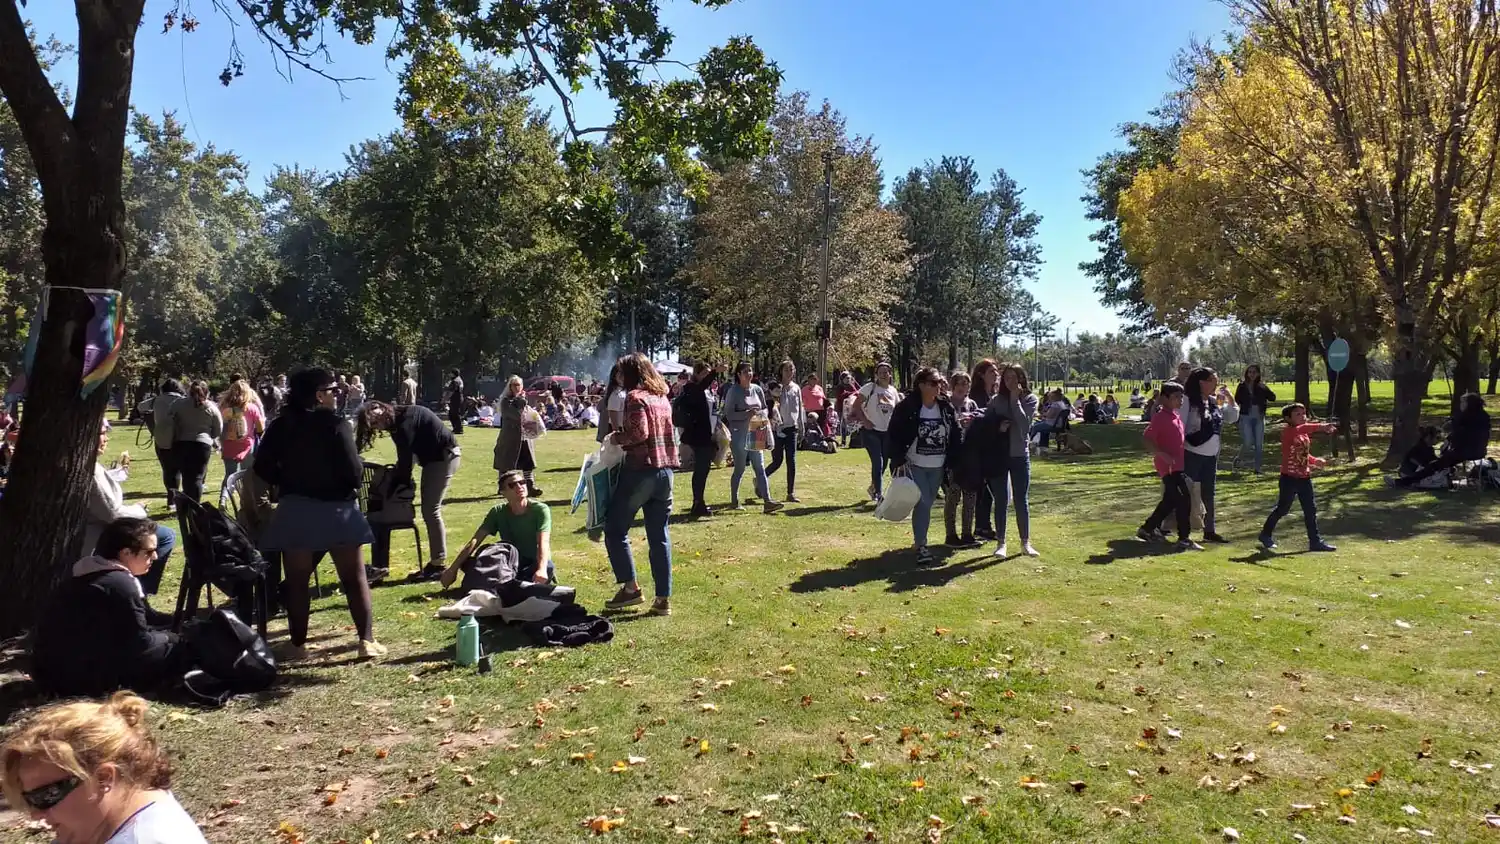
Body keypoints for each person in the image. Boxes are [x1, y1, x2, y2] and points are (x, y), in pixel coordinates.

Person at [253, 367, 385, 660]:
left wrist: (287, 480)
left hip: (296, 508)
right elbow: (354, 472)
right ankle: (366, 642)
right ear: (318, 395)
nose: (338, 395)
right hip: (338, 509)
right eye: (333, 390)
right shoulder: (336, 425)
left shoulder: (280, 425)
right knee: (354, 577)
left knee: (298, 582)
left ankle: (297, 645)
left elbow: (261, 467)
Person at [0, 693, 208, 844]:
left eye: (46, 796)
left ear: (104, 778)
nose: (36, 814)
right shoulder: (126, 816)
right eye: (29, 800)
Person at [30, 518, 186, 697]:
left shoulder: (87, 572)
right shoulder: (120, 584)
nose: (156, 557)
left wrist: (177, 621)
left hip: (52, 672)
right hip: (79, 681)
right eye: (149, 552)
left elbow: (143, 619)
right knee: (177, 648)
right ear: (126, 553)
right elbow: (140, 642)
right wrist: (172, 637)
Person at [603, 354, 679, 616]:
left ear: (633, 373)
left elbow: (639, 433)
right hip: (666, 472)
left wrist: (616, 438)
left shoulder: (636, 398)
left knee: (615, 529)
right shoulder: (662, 398)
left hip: (641, 471)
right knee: (660, 537)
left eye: (622, 373)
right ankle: (663, 599)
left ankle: (630, 588)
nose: (619, 378)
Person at [355, 400, 462, 581]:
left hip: (444, 456)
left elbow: (405, 459)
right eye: (373, 425)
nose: (377, 427)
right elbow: (406, 457)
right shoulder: (396, 421)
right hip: (431, 458)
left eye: (375, 421)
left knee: (431, 509)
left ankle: (438, 564)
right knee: (429, 509)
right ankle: (436, 562)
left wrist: (397, 484)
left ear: (379, 408)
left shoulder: (405, 421)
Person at [85, 420, 176, 596]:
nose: (106, 439)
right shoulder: (90, 469)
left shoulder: (90, 465)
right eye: (102, 433)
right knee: (165, 536)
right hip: (98, 536)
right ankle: (139, 593)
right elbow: (113, 514)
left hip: (103, 528)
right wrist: (139, 509)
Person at [887, 367, 963, 566]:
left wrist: (954, 459)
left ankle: (919, 541)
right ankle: (922, 545)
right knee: (924, 501)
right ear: (921, 385)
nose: (938, 386)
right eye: (933, 382)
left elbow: (956, 433)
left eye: (940, 382)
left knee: (926, 503)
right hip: (915, 463)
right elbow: (894, 434)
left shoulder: (945, 407)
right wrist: (898, 459)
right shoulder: (907, 407)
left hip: (938, 465)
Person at [440, 469, 555, 588]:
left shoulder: (540, 510)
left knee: (548, 566)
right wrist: (452, 570)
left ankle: (508, 583)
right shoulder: (497, 512)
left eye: (522, 482)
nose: (519, 486)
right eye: (512, 485)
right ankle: (514, 584)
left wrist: (541, 569)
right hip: (508, 562)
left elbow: (543, 542)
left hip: (532, 563)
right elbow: (475, 540)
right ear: (503, 492)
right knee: (468, 561)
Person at [1258, 403, 1339, 552]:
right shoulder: (1289, 432)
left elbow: (1302, 454)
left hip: (1304, 477)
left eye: (1304, 413)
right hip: (1289, 478)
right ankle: (1265, 534)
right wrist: (1321, 426)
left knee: (1310, 510)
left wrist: (1315, 461)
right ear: (1287, 418)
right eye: (1298, 414)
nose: (1303, 417)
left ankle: (1315, 542)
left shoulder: (1303, 434)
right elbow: (1302, 428)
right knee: (1283, 509)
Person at [1138, 382, 1200, 550]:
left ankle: (1147, 529)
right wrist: (1162, 454)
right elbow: (1147, 439)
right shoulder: (1160, 417)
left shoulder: (1175, 415)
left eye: (1181, 397)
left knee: (1170, 501)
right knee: (1183, 500)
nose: (1180, 400)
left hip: (1178, 465)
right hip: (1169, 467)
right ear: (1164, 398)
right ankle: (1184, 538)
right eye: (1176, 397)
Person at [987, 363, 1040, 557]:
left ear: (1021, 379)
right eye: (1006, 378)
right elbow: (987, 425)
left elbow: (1025, 426)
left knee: (1021, 500)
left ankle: (1025, 543)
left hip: (1019, 456)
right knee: (1000, 500)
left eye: (1013, 377)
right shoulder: (995, 400)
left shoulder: (1030, 399)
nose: (1009, 381)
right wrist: (998, 427)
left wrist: (1015, 399)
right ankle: (1001, 543)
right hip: (1000, 455)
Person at [1183, 367, 1238, 543]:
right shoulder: (1188, 401)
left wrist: (1230, 397)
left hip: (1211, 456)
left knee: (1209, 493)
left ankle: (1209, 530)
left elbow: (1231, 417)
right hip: (1192, 453)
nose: (1216, 383)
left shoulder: (1213, 402)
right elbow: (1180, 427)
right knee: (1186, 492)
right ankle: (1178, 529)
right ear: (1202, 382)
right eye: (1213, 380)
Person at [1396, 392, 1492, 487]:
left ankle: (1407, 481)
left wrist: (1450, 441)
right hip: (1480, 452)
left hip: (1465, 452)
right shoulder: (1484, 416)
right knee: (1442, 462)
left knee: (1435, 465)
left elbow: (1461, 437)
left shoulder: (1466, 418)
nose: (1461, 405)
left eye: (1463, 403)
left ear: (1469, 403)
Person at [723, 363, 783, 514]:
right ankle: (734, 501)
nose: (748, 373)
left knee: (760, 467)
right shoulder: (733, 391)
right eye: (744, 371)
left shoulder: (757, 389)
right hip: (739, 434)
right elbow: (728, 414)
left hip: (757, 430)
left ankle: (768, 501)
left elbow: (764, 407)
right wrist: (746, 414)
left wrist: (761, 413)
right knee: (740, 468)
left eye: (750, 370)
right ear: (738, 374)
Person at [162, 380, 222, 506]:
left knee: (185, 476)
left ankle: (185, 504)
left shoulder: (178, 404)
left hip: (181, 443)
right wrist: (210, 436)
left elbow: (168, 421)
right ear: (207, 392)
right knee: (197, 478)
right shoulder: (211, 407)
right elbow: (218, 429)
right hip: (201, 445)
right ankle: (195, 506)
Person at [849, 362, 899, 502]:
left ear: (890, 374)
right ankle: (878, 494)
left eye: (887, 372)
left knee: (883, 463)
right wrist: (865, 421)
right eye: (881, 372)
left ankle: (873, 487)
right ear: (876, 374)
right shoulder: (869, 388)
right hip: (871, 431)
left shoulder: (893, 391)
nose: (884, 374)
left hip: (887, 432)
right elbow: (856, 406)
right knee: (878, 462)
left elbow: (897, 411)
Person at [942, 371, 980, 548]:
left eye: (966, 384)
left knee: (970, 496)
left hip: (970, 455)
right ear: (953, 385)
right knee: (953, 496)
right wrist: (958, 423)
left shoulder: (972, 404)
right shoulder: (945, 404)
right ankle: (950, 535)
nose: (963, 387)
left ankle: (967, 533)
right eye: (960, 383)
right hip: (953, 456)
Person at [676, 362, 719, 518]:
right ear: (698, 374)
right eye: (705, 374)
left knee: (703, 469)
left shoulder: (702, 390)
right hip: (698, 434)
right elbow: (701, 386)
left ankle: (699, 502)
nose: (708, 378)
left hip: (706, 433)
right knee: (701, 470)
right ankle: (697, 503)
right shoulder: (692, 388)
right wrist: (714, 371)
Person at [969, 359, 1001, 542]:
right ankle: (980, 527)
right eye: (991, 372)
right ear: (981, 375)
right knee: (981, 490)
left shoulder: (994, 395)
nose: (996, 374)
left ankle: (983, 526)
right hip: (978, 449)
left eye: (996, 372)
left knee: (988, 490)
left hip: (993, 448)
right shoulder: (976, 397)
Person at [493, 375, 542, 498]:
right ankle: (503, 487)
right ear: (510, 386)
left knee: (528, 463)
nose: (517, 387)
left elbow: (528, 415)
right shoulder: (506, 401)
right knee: (506, 463)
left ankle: (530, 486)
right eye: (514, 385)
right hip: (509, 436)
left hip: (524, 436)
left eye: (519, 385)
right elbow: (516, 415)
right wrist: (521, 401)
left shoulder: (522, 399)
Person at [765, 360, 806, 503]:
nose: (789, 372)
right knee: (777, 461)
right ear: (781, 371)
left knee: (791, 460)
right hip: (777, 429)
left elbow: (800, 408)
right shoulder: (775, 388)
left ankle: (790, 492)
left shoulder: (796, 388)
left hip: (792, 428)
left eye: (791, 369)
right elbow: (769, 408)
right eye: (786, 370)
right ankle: (760, 479)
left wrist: (801, 425)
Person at [1232, 365, 1277, 473]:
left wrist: (1265, 391)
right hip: (1245, 417)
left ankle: (1257, 468)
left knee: (1258, 444)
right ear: (1247, 373)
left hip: (1259, 418)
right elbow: (1236, 400)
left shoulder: (1261, 386)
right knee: (1248, 442)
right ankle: (1238, 459)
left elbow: (1273, 397)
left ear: (1258, 374)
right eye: (1250, 372)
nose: (1252, 374)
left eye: (1254, 372)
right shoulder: (1242, 386)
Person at [150, 379, 185, 512]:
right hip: (179, 437)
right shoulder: (182, 400)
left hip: (161, 438)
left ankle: (171, 498)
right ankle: (178, 498)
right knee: (178, 469)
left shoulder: (156, 400)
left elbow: (141, 406)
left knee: (168, 469)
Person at [218, 379, 265, 479]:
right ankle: (246, 494)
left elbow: (220, 427)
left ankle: (225, 494)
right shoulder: (252, 408)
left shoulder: (224, 408)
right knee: (247, 475)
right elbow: (260, 428)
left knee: (230, 475)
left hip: (228, 444)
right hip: (247, 445)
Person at [801, 373, 830, 439]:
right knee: (811, 425)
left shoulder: (819, 388)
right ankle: (810, 438)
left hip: (821, 410)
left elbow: (823, 398)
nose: (813, 381)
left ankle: (821, 438)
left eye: (815, 379)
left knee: (821, 425)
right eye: (812, 379)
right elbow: (801, 400)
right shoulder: (804, 389)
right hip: (810, 411)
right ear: (808, 380)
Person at [834, 372, 859, 447]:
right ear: (842, 379)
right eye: (847, 378)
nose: (848, 380)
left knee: (853, 424)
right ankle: (843, 441)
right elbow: (840, 396)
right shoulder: (840, 387)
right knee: (843, 425)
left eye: (849, 378)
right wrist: (851, 393)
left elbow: (857, 393)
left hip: (851, 408)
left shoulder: (852, 386)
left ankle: (853, 441)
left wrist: (851, 393)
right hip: (842, 408)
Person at [446, 369, 465, 435]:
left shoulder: (455, 381)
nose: (449, 375)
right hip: (459, 398)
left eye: (450, 373)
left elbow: (451, 391)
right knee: (455, 414)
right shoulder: (460, 380)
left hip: (455, 399)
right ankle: (457, 428)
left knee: (454, 414)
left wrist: (445, 399)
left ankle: (458, 429)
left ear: (453, 374)